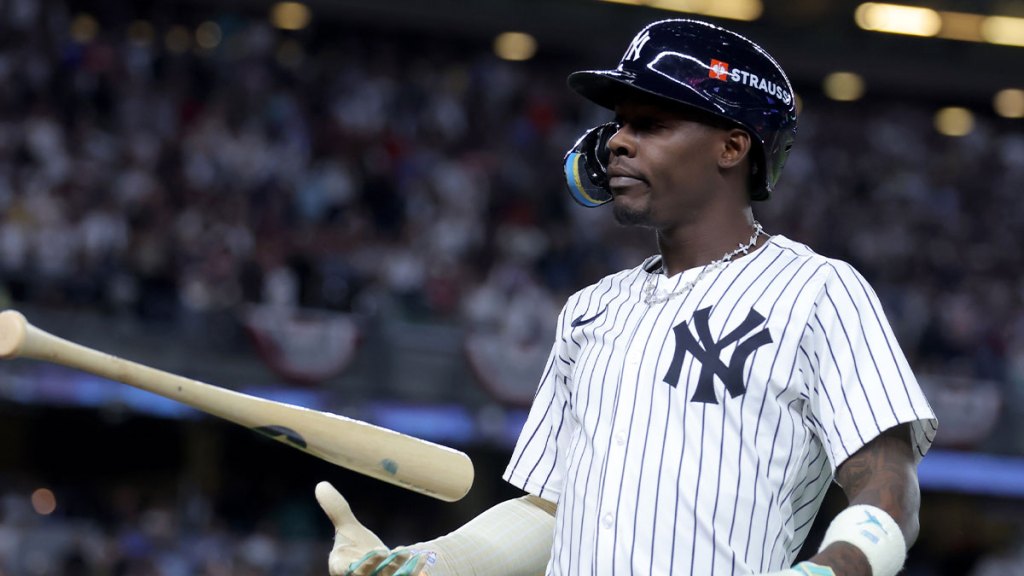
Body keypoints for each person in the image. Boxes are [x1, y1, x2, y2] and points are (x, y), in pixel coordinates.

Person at [314, 18, 938, 576]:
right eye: (618, 124)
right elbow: (551, 512)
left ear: (732, 145)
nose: (615, 142)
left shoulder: (818, 290)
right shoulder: (590, 310)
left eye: (651, 124)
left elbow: (889, 491)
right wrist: (427, 563)